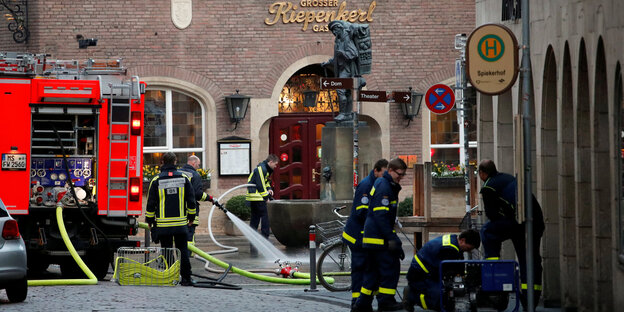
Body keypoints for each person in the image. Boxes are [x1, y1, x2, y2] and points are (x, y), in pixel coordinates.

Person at [477, 159, 545, 309]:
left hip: (520, 222)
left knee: (487, 231)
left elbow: (492, 215)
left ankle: (493, 271)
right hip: (534, 221)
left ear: (482, 173)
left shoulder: (489, 187)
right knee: (529, 260)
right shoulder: (507, 178)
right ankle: (530, 300)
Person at [353, 158, 408, 312]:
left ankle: (362, 304)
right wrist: (392, 239)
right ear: (390, 170)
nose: (400, 177)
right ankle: (386, 301)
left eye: (403, 175)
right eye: (399, 174)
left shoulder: (383, 184)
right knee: (390, 268)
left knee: (373, 273)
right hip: (378, 238)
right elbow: (381, 216)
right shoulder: (384, 186)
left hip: (373, 238)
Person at [342, 158, 388, 309]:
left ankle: (363, 300)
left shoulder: (376, 183)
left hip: (364, 235)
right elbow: (361, 211)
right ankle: (356, 302)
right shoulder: (366, 184)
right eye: (384, 173)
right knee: (360, 268)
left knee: (368, 267)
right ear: (376, 171)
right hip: (356, 236)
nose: (385, 176)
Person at [145, 152, 197, 286]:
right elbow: (191, 200)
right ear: (175, 161)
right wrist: (191, 218)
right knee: (183, 251)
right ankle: (186, 279)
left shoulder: (156, 180)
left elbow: (151, 203)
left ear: (162, 162)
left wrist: (149, 221)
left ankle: (171, 278)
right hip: (180, 224)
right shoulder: (184, 177)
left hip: (163, 225)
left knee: (167, 251)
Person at [402, 229, 481, 312]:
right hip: (420, 274)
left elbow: (457, 263)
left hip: (427, 269)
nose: (468, 251)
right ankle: (411, 295)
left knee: (445, 292)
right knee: (438, 299)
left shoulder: (453, 240)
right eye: (468, 248)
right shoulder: (449, 249)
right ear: (462, 240)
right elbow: (448, 270)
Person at [322, 20, 363, 122]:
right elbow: (337, 58)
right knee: (347, 92)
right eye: (333, 32)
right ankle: (347, 114)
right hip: (341, 69)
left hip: (348, 70)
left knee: (340, 90)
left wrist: (343, 53)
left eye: (335, 30)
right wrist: (328, 63)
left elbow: (354, 54)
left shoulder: (346, 39)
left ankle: (343, 114)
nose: (334, 33)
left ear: (340, 28)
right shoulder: (339, 41)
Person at [179, 155, 218, 253]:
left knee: (179, 235)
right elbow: (198, 194)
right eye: (198, 165)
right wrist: (210, 198)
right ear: (193, 163)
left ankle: (180, 254)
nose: (198, 167)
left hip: (177, 210)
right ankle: (187, 255)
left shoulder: (178, 172)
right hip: (189, 210)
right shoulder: (194, 175)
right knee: (189, 234)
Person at [246, 154, 279, 254]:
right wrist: (266, 198)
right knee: (266, 218)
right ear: (271, 162)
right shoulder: (261, 169)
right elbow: (260, 185)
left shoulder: (265, 169)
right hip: (257, 198)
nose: (276, 167)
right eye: (275, 164)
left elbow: (265, 182)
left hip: (256, 197)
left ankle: (253, 241)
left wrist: (269, 189)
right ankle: (264, 240)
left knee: (255, 220)